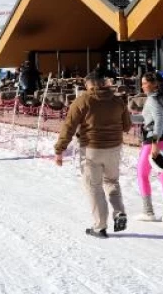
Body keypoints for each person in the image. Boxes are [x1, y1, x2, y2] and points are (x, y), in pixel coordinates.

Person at [54, 72, 132, 238]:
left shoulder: (83, 101)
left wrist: (59, 150)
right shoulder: (118, 100)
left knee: (94, 187)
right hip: (114, 148)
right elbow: (127, 126)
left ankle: (100, 226)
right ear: (103, 83)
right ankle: (119, 212)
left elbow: (69, 126)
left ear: (89, 85)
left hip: (92, 149)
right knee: (112, 181)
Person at [138, 72, 163, 224]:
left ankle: (148, 211)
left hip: (155, 140)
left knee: (142, 174)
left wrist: (155, 142)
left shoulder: (152, 99)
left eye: (145, 83)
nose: (142, 86)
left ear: (154, 84)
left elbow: (159, 120)